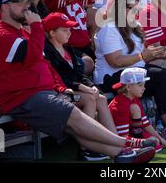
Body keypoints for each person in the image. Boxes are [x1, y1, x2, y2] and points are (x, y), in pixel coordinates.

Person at [0, 0, 157, 163]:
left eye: (26, 3)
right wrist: (37, 26)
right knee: (74, 116)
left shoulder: (19, 32)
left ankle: (122, 155)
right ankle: (128, 143)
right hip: (22, 97)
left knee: (77, 128)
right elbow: (33, 55)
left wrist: (59, 89)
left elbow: (44, 68)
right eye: (19, 3)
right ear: (5, 7)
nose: (25, 7)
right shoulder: (0, 34)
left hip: (39, 93)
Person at [94, 0, 166, 140]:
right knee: (162, 77)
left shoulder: (134, 26)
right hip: (112, 77)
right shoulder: (109, 28)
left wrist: (154, 53)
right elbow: (115, 61)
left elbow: (140, 57)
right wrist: (142, 55)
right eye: (129, 6)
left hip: (133, 70)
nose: (134, 10)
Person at [42, 12, 118, 161]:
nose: (69, 32)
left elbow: (78, 75)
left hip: (75, 92)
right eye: (64, 30)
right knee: (89, 98)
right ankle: (86, 149)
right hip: (57, 94)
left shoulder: (69, 49)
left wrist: (90, 85)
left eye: (69, 29)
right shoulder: (46, 52)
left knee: (101, 98)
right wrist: (84, 88)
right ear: (51, 33)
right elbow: (58, 78)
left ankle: (116, 141)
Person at [109, 68, 166, 151]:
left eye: (143, 85)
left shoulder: (134, 98)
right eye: (140, 85)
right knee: (153, 143)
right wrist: (140, 143)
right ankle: (137, 146)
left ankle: (139, 140)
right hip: (116, 139)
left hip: (129, 134)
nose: (144, 88)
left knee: (156, 141)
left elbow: (145, 123)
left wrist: (160, 138)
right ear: (128, 87)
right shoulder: (120, 105)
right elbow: (122, 137)